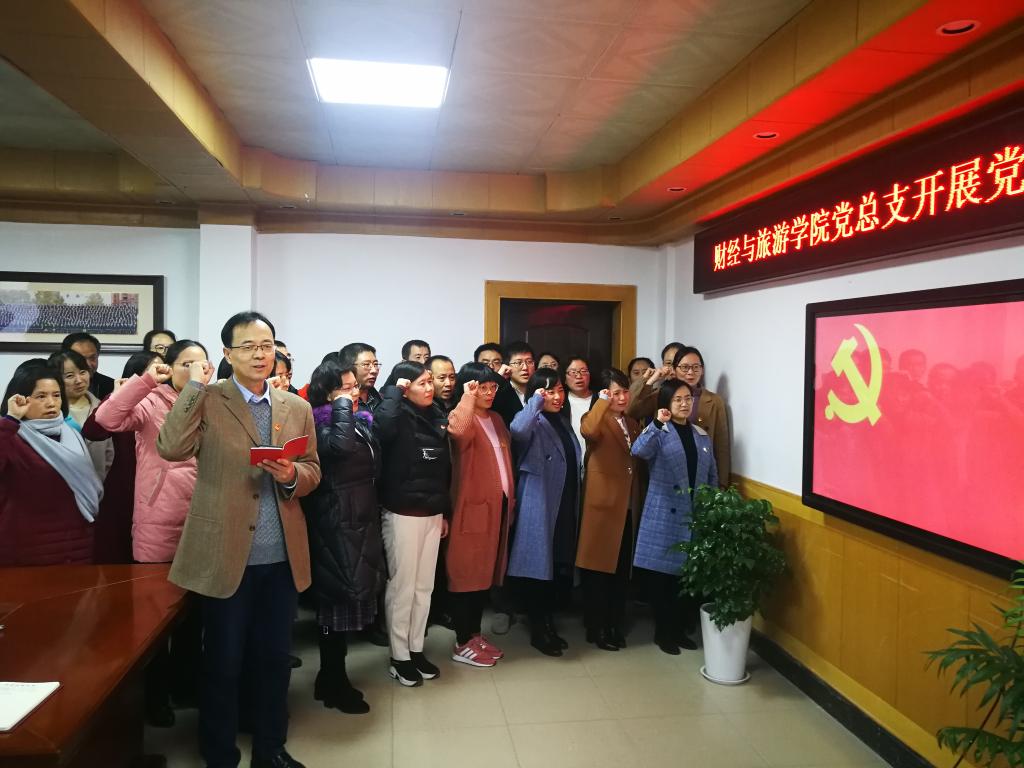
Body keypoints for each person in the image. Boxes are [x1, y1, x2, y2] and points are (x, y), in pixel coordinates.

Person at [157, 311, 320, 768]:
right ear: (227, 353)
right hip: (226, 555)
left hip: (281, 558)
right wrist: (193, 386)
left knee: (273, 662)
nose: (259, 354)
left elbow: (313, 470)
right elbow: (170, 447)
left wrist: (291, 474)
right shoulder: (209, 399)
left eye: (266, 345)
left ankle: (271, 749)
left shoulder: (296, 407)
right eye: (247, 346)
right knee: (223, 664)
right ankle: (219, 754)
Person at [96, 339, 212, 726]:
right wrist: (145, 380)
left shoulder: (211, 402)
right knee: (155, 619)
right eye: (187, 364)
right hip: (158, 519)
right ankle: (154, 696)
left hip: (203, 520)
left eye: (202, 364)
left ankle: (186, 685)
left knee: (194, 616)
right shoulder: (151, 400)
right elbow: (107, 419)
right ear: (169, 368)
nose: (195, 371)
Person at [302, 359, 385, 715]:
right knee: (335, 606)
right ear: (326, 393)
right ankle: (333, 680)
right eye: (345, 388)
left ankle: (331, 677)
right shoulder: (317, 425)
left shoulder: (359, 421)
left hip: (359, 519)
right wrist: (340, 407)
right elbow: (339, 449)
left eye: (354, 387)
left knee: (349, 605)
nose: (353, 393)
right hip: (335, 524)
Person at [374, 360, 451, 687]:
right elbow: (382, 429)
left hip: (432, 512)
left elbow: (444, 470)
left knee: (424, 587)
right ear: (404, 388)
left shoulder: (436, 414)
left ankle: (416, 648)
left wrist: (444, 512)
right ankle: (399, 656)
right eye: (422, 383)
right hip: (402, 513)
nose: (430, 387)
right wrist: (395, 391)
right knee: (402, 588)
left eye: (430, 381)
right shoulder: (394, 413)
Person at [631, 379, 718, 655]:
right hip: (664, 512)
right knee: (663, 580)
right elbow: (638, 451)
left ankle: (679, 630)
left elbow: (711, 475)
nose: (684, 404)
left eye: (688, 398)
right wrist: (657, 423)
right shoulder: (659, 430)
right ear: (666, 403)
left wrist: (711, 506)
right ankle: (663, 632)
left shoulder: (701, 435)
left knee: (684, 579)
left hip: (692, 514)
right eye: (678, 399)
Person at [444, 363, 515, 667]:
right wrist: (467, 398)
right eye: (481, 387)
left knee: (484, 575)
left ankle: (474, 635)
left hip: (497, 509)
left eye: (492, 387)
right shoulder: (464, 415)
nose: (488, 393)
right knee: (465, 576)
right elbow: (458, 432)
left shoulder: (496, 418)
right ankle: (462, 642)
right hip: (470, 510)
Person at [507, 368, 581, 656]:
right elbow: (517, 431)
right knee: (538, 568)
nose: (557, 396)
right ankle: (539, 629)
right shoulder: (532, 418)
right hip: (539, 502)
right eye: (549, 391)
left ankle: (548, 623)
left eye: (560, 390)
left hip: (562, 501)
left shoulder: (562, 421)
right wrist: (535, 401)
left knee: (554, 565)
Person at [1, 362, 103, 565]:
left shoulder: (71, 434)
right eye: (41, 396)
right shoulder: (10, 435)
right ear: (20, 398)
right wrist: (10, 420)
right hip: (28, 548)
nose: (51, 403)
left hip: (77, 543)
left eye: (56, 395)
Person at [576, 369, 641, 651]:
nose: (622, 398)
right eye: (615, 393)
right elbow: (588, 431)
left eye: (625, 392)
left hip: (626, 505)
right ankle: (596, 627)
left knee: (620, 570)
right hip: (601, 507)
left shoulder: (632, 423)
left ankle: (614, 624)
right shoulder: (595, 418)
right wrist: (602, 402)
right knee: (597, 570)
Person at [82, 351, 162, 565]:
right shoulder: (121, 401)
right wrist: (117, 396)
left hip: (157, 490)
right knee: (117, 556)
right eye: (152, 371)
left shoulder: (170, 401)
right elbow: (93, 431)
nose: (159, 376)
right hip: (124, 487)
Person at [48, 349, 113, 480]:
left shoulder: (102, 407)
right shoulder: (50, 412)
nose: (79, 380)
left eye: (83, 372)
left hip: (99, 485)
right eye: (69, 376)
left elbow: (109, 453)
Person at [673, 346, 730, 487]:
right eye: (684, 367)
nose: (690, 372)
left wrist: (722, 484)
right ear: (674, 369)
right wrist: (650, 380)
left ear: (702, 370)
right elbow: (634, 408)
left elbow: (721, 447)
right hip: (671, 473)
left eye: (696, 367)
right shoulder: (663, 395)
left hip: (702, 474)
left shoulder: (715, 401)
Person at [492, 341, 536, 427]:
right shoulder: (501, 393)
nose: (525, 367)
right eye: (518, 363)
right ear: (507, 366)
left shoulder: (540, 391)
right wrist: (499, 377)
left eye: (529, 362)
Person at [62, 331, 115, 399]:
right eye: (81, 359)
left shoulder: (111, 387)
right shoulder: (53, 385)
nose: (88, 364)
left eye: (92, 358)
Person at [563, 356, 594, 463]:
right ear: (565, 378)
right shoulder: (559, 402)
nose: (579, 376)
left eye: (583, 371)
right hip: (568, 460)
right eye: (573, 372)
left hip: (595, 461)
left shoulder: (600, 400)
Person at [339, 342, 382, 411]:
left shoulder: (381, 399)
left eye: (376, 364)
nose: (374, 371)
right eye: (366, 365)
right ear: (349, 367)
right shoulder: (341, 404)